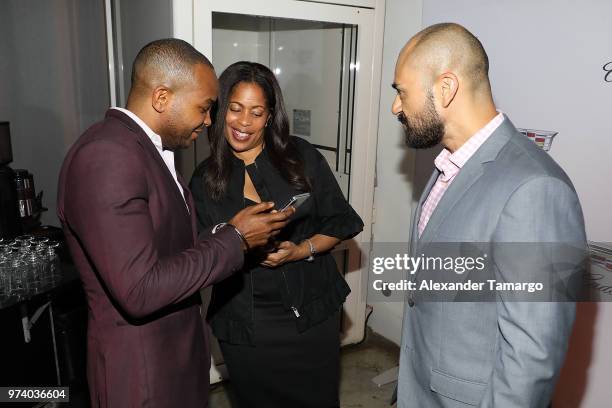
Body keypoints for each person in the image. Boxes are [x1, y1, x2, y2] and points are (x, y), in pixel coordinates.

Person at [57, 39, 292, 408]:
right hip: (142, 375)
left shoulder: (145, 148)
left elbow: (166, 246)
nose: (209, 120)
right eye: (203, 107)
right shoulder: (107, 157)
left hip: (173, 359)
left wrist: (221, 232)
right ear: (162, 98)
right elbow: (139, 290)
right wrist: (235, 239)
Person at [391, 23, 587, 406]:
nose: (396, 106)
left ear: (445, 88)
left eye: (402, 92)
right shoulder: (446, 166)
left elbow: (532, 359)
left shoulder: (536, 190)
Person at [190, 61, 364, 407]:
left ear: (270, 116)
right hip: (247, 325)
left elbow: (340, 222)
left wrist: (300, 250)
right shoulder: (203, 180)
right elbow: (200, 255)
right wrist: (235, 241)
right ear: (220, 109)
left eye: (257, 113)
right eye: (235, 109)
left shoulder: (301, 156)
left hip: (312, 314)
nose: (244, 122)